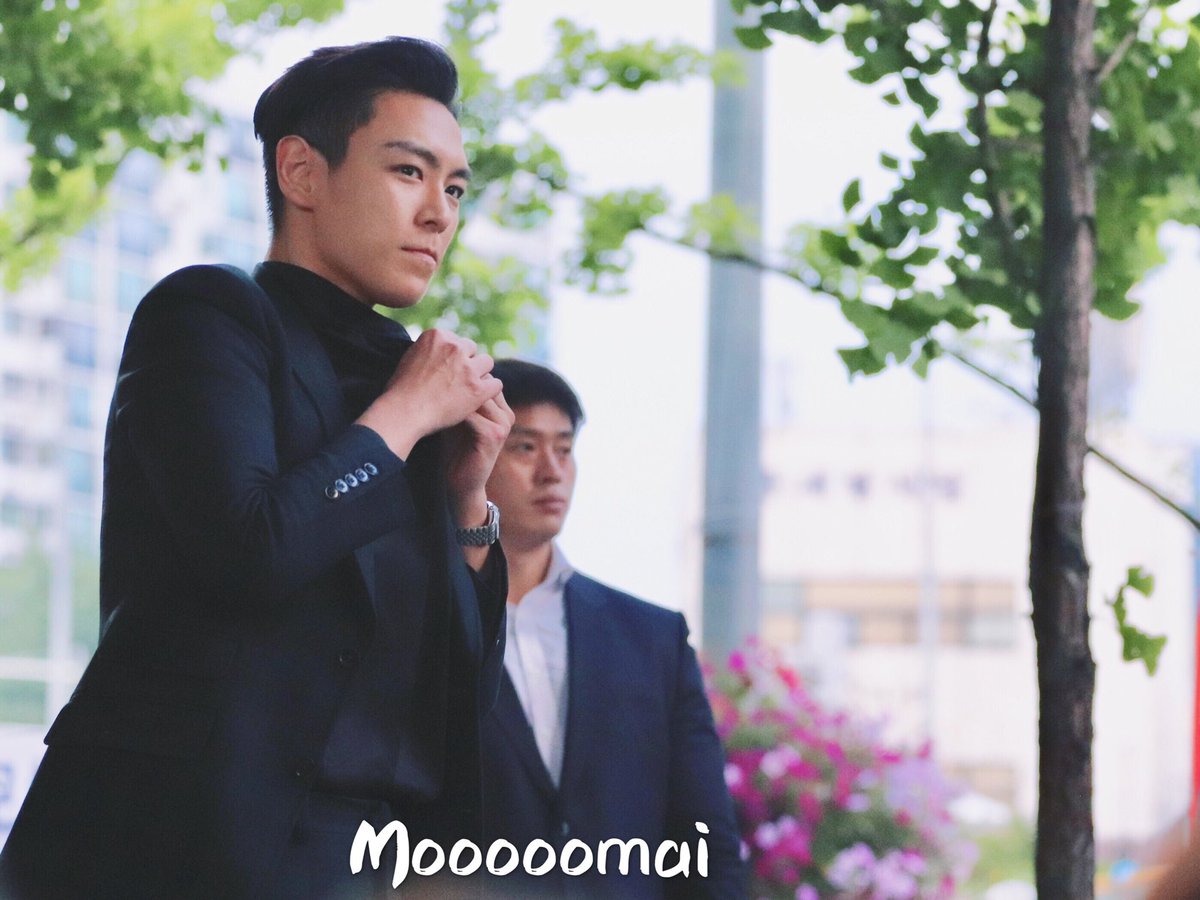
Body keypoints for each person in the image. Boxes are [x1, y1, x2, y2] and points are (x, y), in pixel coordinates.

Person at [0, 37, 513, 899]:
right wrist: (400, 419)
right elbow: (250, 549)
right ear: (302, 172)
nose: (440, 214)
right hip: (171, 848)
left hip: (360, 862)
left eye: (456, 188)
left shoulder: (417, 388)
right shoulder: (210, 314)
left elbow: (458, 699)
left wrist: (468, 505)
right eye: (409, 172)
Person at [478, 360, 745, 899]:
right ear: (472, 454)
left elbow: (706, 839)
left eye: (565, 449)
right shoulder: (422, 623)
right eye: (525, 447)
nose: (552, 471)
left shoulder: (652, 639)